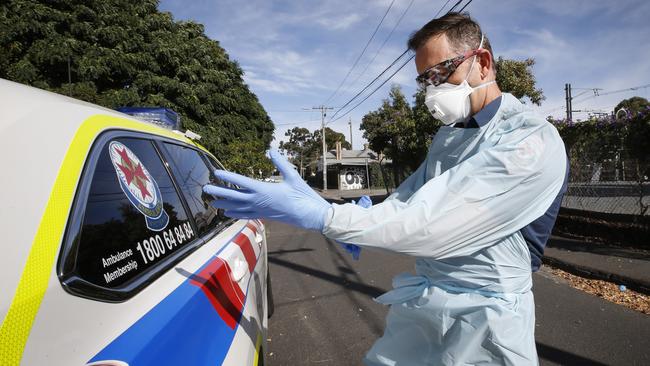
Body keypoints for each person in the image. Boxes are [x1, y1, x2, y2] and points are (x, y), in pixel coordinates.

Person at [204, 12, 569, 366]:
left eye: (441, 72)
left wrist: (327, 216)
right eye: (425, 80)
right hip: (425, 311)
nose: (432, 89)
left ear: (483, 63)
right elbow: (407, 200)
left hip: (488, 325)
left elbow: (432, 220)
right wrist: (364, 218)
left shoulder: (530, 140)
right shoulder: (450, 137)